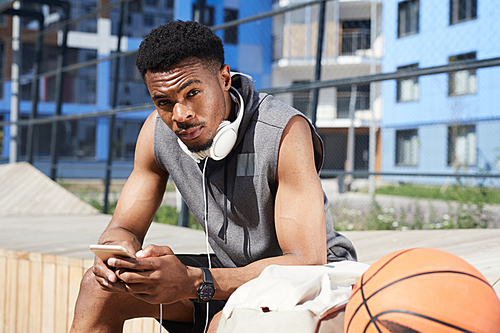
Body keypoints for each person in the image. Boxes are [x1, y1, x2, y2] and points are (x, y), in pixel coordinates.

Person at [70, 20, 356, 333]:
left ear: (223, 78)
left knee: (226, 323)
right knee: (100, 290)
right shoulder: (156, 133)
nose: (180, 115)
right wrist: (116, 257)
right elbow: (123, 226)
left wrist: (193, 281)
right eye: (164, 102)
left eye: (192, 92)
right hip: (227, 275)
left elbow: (304, 262)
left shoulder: (284, 131)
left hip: (310, 282)